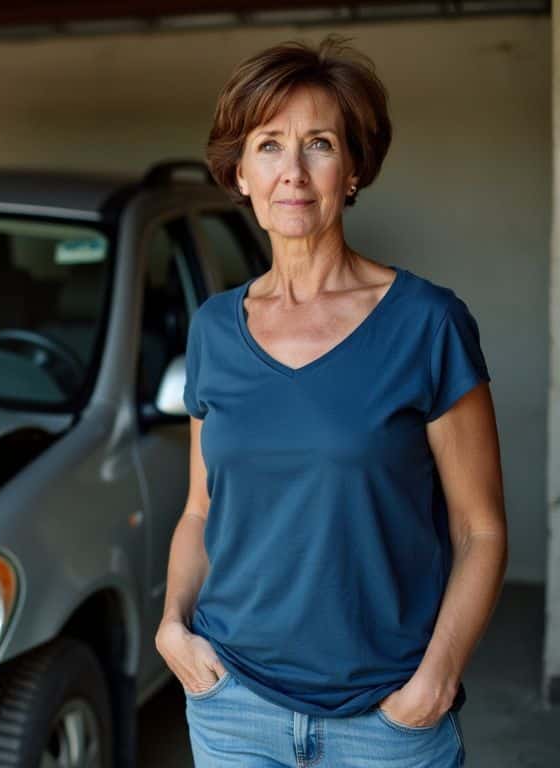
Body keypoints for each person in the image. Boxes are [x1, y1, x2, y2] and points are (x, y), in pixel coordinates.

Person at [154, 36, 507, 767]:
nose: (293, 172)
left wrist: (433, 685)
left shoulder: (427, 324)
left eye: (318, 144)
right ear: (240, 173)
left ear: (351, 171)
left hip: (385, 720)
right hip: (233, 709)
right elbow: (199, 510)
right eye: (269, 145)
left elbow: (480, 531)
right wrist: (171, 627)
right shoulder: (215, 329)